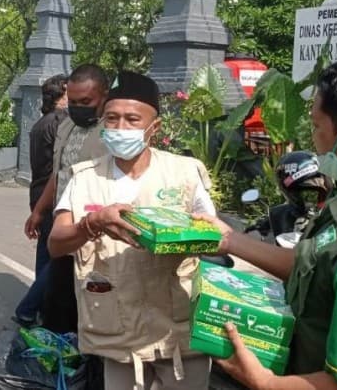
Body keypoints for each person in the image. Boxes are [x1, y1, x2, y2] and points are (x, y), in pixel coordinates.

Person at [196, 56, 337, 390]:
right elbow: (313, 264)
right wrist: (230, 240)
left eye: (317, 127)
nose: (313, 141)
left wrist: (266, 383)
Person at [48, 71, 215, 389]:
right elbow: (56, 245)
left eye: (132, 119)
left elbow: (215, 238)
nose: (120, 128)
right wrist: (92, 224)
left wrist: (180, 236)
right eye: (111, 118)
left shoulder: (184, 174)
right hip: (116, 333)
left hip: (177, 332)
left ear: (155, 127)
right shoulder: (85, 178)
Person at [23, 64, 110, 334]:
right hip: (65, 228)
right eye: (73, 101)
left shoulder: (112, 131)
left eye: (86, 101)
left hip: (97, 234)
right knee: (57, 304)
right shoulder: (66, 125)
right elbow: (59, 173)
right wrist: (39, 210)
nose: (78, 107)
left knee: (92, 309)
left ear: (104, 96)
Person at [13, 74, 68, 327]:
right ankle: (28, 307)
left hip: (39, 194)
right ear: (63, 95)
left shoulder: (40, 124)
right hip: (52, 196)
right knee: (58, 257)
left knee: (46, 254)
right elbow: (59, 170)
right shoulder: (62, 124)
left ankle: (42, 307)